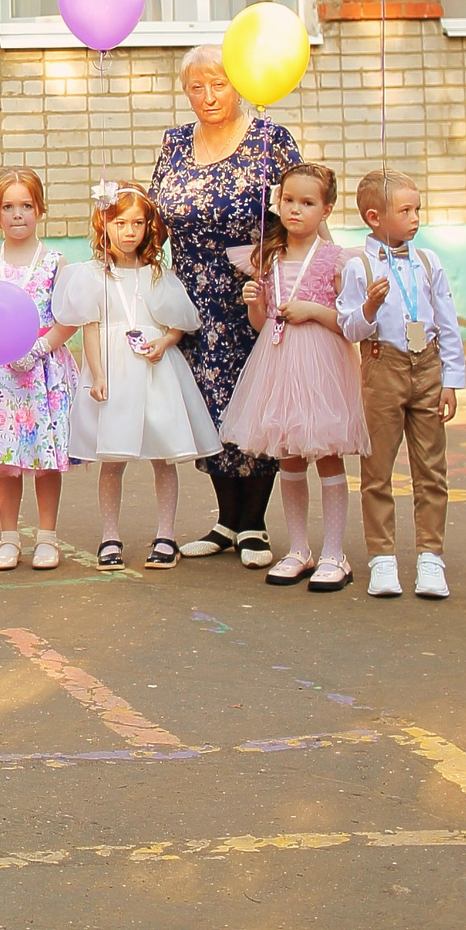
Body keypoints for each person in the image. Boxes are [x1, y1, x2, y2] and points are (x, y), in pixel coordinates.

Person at [149, 44, 301, 567]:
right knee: (208, 406)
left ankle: (254, 524)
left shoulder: (269, 139)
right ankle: (225, 521)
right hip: (193, 296)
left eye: (219, 83)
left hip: (253, 294)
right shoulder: (173, 143)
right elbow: (155, 218)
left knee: (255, 402)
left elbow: (299, 207)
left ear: (239, 84)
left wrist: (301, 274)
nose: (209, 96)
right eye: (197, 86)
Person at [47, 182, 214, 571]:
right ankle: (110, 536)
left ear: (148, 227)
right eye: (120, 222)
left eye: (137, 223)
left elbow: (179, 321)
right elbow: (90, 327)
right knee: (113, 457)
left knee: (163, 456)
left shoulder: (157, 273)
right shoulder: (92, 275)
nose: (128, 231)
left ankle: (166, 535)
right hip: (115, 371)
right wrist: (99, 375)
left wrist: (166, 342)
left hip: (155, 370)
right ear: (104, 223)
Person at [223, 163, 370, 593]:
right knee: (287, 454)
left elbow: (351, 323)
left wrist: (314, 311)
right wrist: (256, 300)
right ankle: (299, 549)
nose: (295, 210)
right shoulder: (267, 256)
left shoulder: (338, 260)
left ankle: (334, 553)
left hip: (322, 362)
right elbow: (261, 321)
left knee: (326, 452)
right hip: (278, 360)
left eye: (307, 203)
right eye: (289, 200)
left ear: (326, 210)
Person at [336, 168, 464, 602]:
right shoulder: (358, 265)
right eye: (405, 211)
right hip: (381, 366)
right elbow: (349, 328)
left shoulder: (430, 261)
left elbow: (446, 321)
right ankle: (382, 557)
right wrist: (369, 307)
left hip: (427, 366)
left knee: (431, 467)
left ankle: (431, 556)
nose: (415, 219)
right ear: (374, 217)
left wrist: (451, 380)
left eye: (417, 210)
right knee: (377, 470)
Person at [0, 169, 72, 572]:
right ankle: (8, 537)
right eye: (8, 207)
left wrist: (40, 347)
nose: (18, 214)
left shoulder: (56, 262)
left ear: (40, 209)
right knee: (7, 460)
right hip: (2, 377)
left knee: (43, 458)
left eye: (26, 205)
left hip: (43, 373)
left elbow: (69, 317)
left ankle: (47, 536)